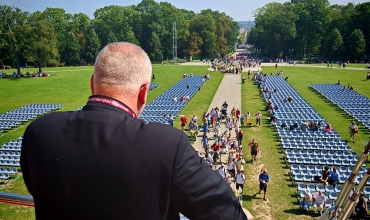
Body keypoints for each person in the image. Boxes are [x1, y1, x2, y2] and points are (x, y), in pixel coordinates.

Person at [20, 42, 247, 219]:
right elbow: (228, 214)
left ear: (92, 84)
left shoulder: (39, 132)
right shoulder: (167, 145)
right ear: (143, 92)